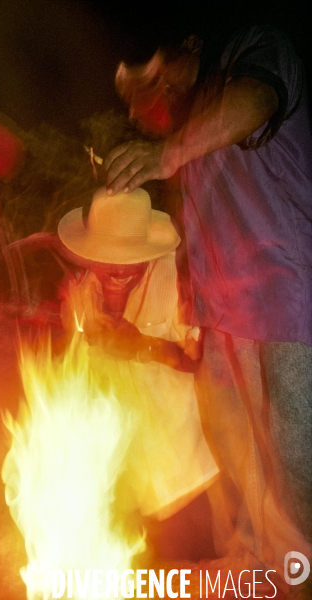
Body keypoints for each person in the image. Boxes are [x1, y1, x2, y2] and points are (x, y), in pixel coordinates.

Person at [103, 22, 312, 583]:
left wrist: (167, 155)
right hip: (225, 327)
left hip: (292, 318)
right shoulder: (189, 136)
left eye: (152, 78)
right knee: (245, 485)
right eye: (132, 94)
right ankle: (263, 576)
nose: (147, 100)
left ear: (189, 46)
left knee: (298, 490)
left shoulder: (256, 48)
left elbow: (257, 100)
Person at [57, 185, 219, 557]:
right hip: (120, 486)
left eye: (130, 256)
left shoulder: (175, 280)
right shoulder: (81, 297)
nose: (118, 269)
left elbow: (202, 363)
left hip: (183, 483)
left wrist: (142, 346)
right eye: (107, 256)